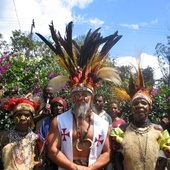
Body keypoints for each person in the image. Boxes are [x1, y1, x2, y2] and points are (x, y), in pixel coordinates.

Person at [36, 21, 122, 169]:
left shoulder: (103, 125)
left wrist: (90, 169)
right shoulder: (59, 121)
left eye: (84, 95)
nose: (80, 99)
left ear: (92, 98)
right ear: (71, 97)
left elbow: (107, 153)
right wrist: (74, 168)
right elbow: (52, 150)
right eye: (76, 95)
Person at [110, 66, 170, 170]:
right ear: (132, 108)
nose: (139, 106)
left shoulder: (158, 130)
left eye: (144, 103)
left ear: (150, 107)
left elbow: (163, 158)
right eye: (136, 103)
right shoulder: (123, 129)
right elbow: (118, 157)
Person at [0, 97, 43, 170]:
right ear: (13, 117)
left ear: (32, 119)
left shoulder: (36, 140)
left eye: (27, 115)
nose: (23, 118)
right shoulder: (4, 137)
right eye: (19, 115)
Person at [39, 97, 67, 170]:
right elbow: (41, 138)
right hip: (49, 158)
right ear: (52, 108)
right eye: (55, 106)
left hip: (65, 156)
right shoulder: (46, 122)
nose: (58, 108)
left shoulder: (69, 121)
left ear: (64, 107)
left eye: (60, 105)